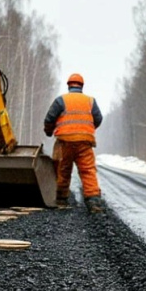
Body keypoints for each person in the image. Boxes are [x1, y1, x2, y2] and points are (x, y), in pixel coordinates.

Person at [44, 73, 104, 214]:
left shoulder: (61, 100)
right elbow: (98, 118)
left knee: (63, 170)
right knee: (88, 170)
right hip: (84, 142)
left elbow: (49, 118)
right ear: (81, 86)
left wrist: (48, 131)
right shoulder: (90, 101)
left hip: (65, 142)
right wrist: (87, 130)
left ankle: (61, 199)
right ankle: (93, 201)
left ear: (69, 85)